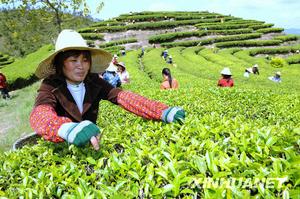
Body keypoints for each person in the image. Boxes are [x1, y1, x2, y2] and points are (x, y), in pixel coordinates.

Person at [30, 29, 185, 150]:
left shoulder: (92, 81)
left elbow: (122, 97)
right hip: (63, 152)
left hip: (92, 147)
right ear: (60, 63)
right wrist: (65, 129)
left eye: (85, 60)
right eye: (73, 60)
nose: (81, 66)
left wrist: (161, 111)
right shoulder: (50, 85)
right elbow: (40, 114)